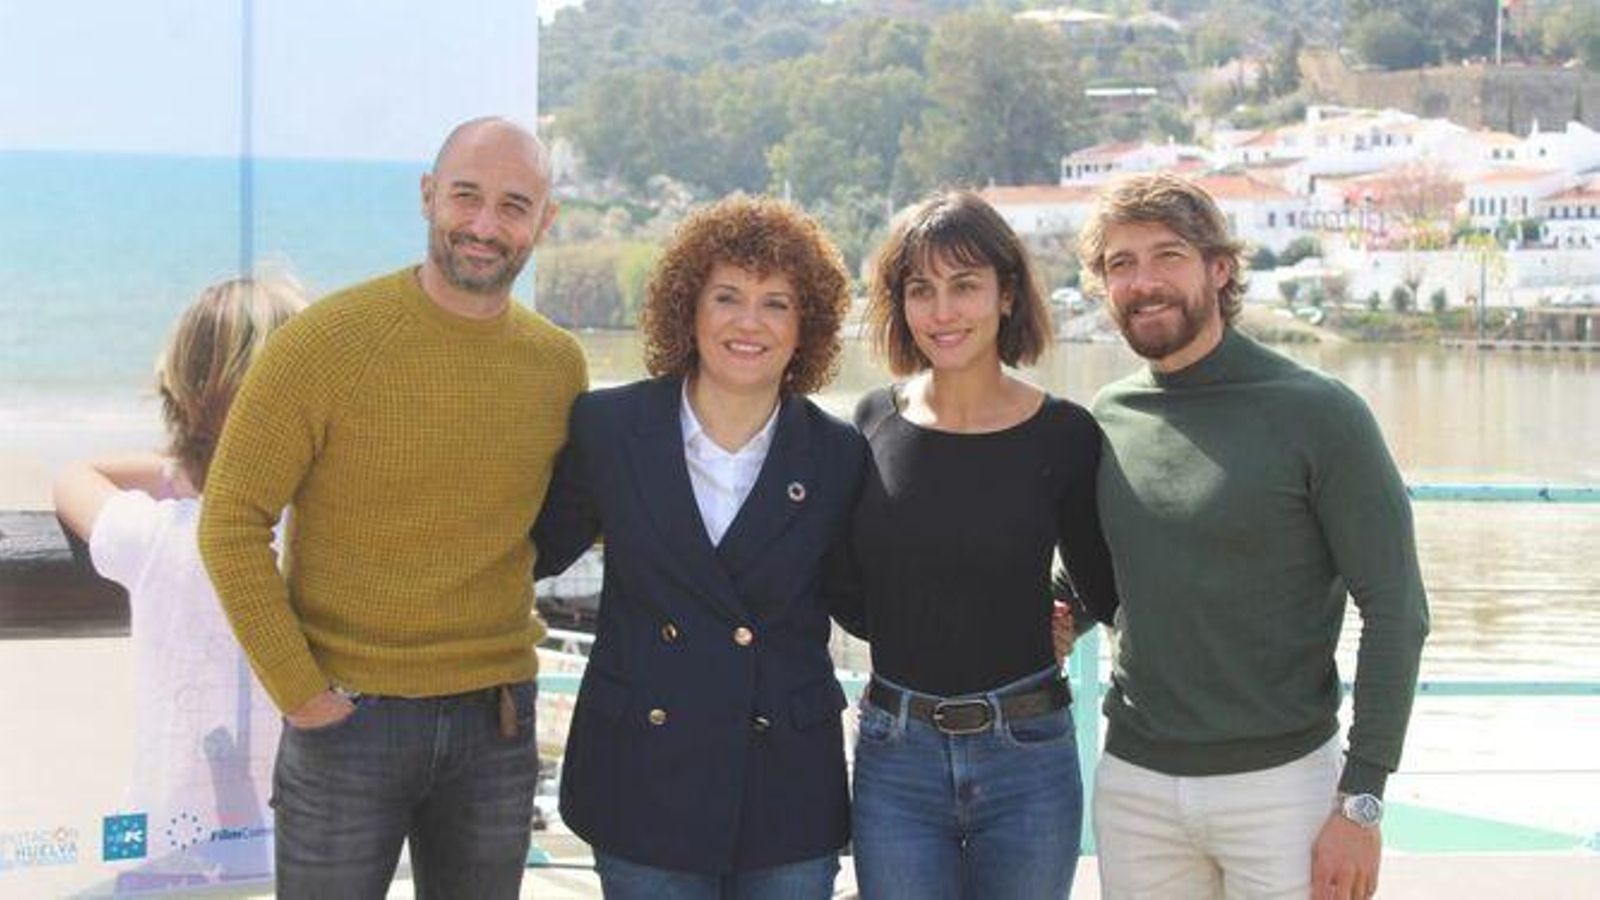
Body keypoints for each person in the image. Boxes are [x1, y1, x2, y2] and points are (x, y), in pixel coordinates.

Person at [198, 117, 587, 898]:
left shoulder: (557, 366)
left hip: (497, 722)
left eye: (513, 205)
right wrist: (299, 692)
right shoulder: (325, 343)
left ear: (545, 221)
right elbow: (231, 520)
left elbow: (549, 520)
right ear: (426, 197)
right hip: (347, 719)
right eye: (465, 197)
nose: (484, 225)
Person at [1076, 173, 1429, 900]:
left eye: (1167, 256)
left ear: (1220, 267)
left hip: (1283, 791)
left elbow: (1397, 611)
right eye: (1121, 263)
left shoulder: (1320, 414)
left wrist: (1361, 800)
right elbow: (1100, 577)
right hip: (1136, 786)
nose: (1144, 282)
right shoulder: (1108, 417)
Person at [532, 194, 861, 899]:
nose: (750, 322)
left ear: (808, 327)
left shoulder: (839, 453)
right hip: (644, 778)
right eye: (728, 297)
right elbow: (530, 551)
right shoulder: (609, 427)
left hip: (786, 785)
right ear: (690, 308)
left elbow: (869, 599)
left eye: (777, 303)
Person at [843, 190, 1119, 899]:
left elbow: (1104, 584)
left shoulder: (1066, 434)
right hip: (895, 755)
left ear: (1005, 295)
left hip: (1026, 754)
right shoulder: (872, 421)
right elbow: (849, 594)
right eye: (921, 290)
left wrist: (1058, 617)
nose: (942, 312)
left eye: (964, 286)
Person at [52, 276, 304, 889]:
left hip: (168, 855)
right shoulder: (327, 542)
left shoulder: (161, 535)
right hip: (302, 852)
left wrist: (180, 472)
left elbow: (74, 478)